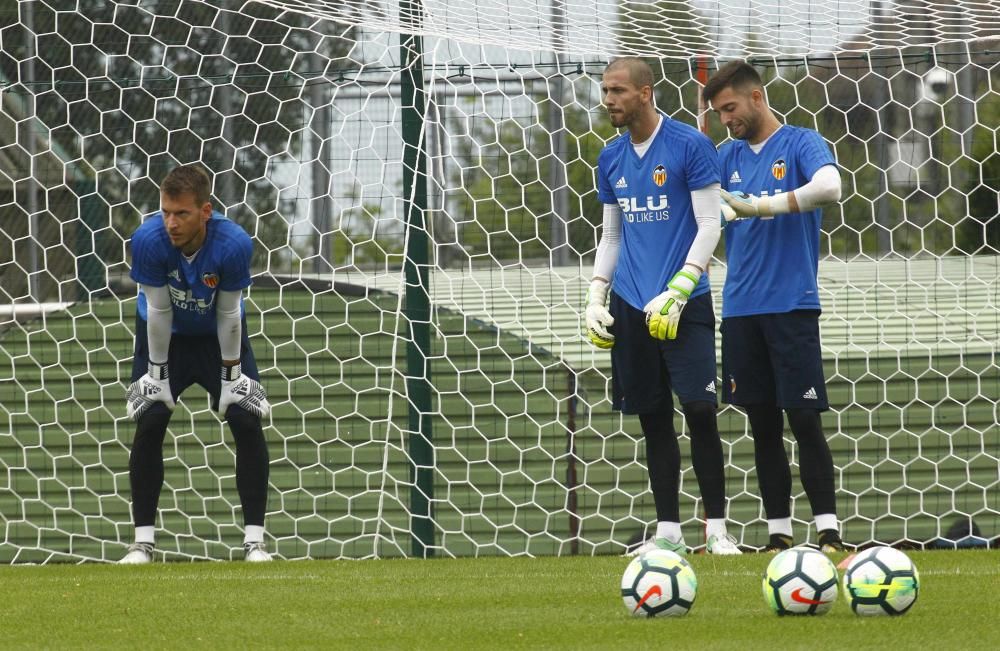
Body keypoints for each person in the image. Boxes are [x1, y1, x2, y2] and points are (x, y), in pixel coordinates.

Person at [585, 57, 741, 556]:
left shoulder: (689, 146)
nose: (608, 99)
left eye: (617, 91)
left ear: (645, 93)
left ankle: (716, 529)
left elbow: (710, 224)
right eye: (605, 90)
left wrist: (681, 286)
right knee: (653, 416)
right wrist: (595, 292)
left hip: (683, 302)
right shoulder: (610, 157)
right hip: (631, 304)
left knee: (699, 410)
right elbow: (612, 233)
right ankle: (668, 531)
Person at [703, 61, 845, 553]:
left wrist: (757, 207)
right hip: (740, 309)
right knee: (761, 424)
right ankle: (779, 535)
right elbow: (702, 212)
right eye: (719, 113)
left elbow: (830, 187)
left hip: (792, 304)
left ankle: (828, 531)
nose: (726, 119)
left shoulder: (800, 142)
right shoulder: (725, 157)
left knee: (804, 418)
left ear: (756, 97)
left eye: (730, 108)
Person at [120, 164, 273, 563]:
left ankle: (255, 542)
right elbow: (156, 310)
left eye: (182, 213)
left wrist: (232, 377)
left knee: (244, 416)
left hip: (215, 336)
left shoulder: (233, 244)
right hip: (163, 337)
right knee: (151, 417)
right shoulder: (148, 240)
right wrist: (156, 375)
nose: (171, 222)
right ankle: (143, 544)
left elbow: (228, 313)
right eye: (166, 212)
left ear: (205, 211)